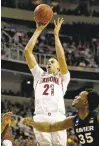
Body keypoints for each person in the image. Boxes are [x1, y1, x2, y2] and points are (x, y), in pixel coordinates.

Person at [24, 17, 70, 146]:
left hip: (58, 116)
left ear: (58, 67)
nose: (49, 63)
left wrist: (56, 35)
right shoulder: (39, 75)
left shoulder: (63, 77)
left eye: (52, 61)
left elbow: (61, 57)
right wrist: (38, 30)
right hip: (41, 116)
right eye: (48, 62)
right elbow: (27, 52)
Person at [23, 90, 99, 146]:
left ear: (85, 102)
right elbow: (50, 127)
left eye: (79, 96)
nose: (76, 97)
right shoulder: (72, 120)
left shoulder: (96, 117)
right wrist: (33, 123)